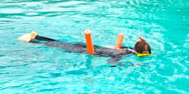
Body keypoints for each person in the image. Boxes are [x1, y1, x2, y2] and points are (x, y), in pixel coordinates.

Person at [17, 31, 152, 64]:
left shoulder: (127, 48)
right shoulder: (123, 54)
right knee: (63, 47)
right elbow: (111, 63)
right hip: (93, 51)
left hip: (94, 46)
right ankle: (31, 41)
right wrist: (127, 65)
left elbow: (117, 47)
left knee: (65, 44)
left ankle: (38, 36)